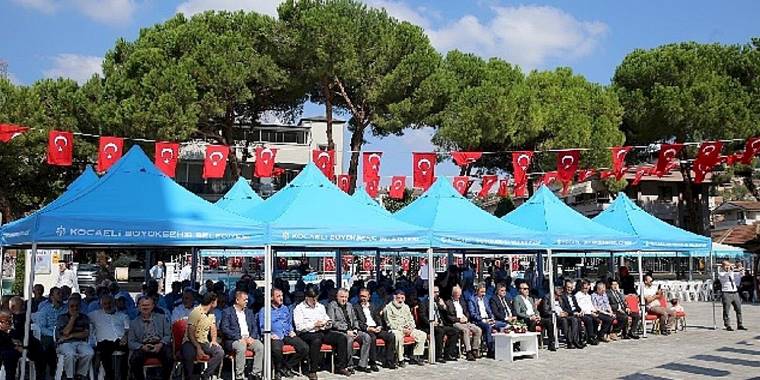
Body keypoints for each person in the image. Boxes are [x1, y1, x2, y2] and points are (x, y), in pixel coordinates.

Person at [293, 286, 350, 379]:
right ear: (307, 297)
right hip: (307, 333)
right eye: (312, 298)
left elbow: (327, 319)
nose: (315, 300)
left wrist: (327, 324)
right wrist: (314, 325)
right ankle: (313, 370)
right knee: (317, 340)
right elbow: (299, 327)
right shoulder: (299, 309)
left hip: (321, 331)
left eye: (316, 298)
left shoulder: (320, 307)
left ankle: (341, 366)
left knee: (341, 337)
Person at [259, 288, 308, 380]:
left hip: (286, 333)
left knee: (304, 348)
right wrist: (270, 335)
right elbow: (262, 326)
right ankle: (278, 370)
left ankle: (286, 367)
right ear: (271, 298)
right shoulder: (264, 310)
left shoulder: (285, 308)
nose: (281, 298)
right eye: (278, 296)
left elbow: (289, 322)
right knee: (277, 350)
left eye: (282, 296)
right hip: (274, 335)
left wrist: (291, 330)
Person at [221, 290, 264, 380]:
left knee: (260, 346)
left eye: (247, 300)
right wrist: (239, 338)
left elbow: (255, 327)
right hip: (234, 340)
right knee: (241, 346)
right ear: (237, 300)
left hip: (248, 338)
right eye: (245, 300)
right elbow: (225, 329)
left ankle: (255, 373)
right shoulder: (227, 312)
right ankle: (239, 375)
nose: (247, 302)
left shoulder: (249, 312)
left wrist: (252, 337)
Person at [327, 288, 371, 373]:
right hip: (340, 331)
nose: (344, 299)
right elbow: (332, 322)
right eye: (342, 297)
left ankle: (363, 364)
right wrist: (346, 331)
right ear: (337, 297)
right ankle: (349, 365)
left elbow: (354, 319)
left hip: (352, 329)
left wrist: (355, 328)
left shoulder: (349, 305)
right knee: (349, 339)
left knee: (367, 337)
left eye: (346, 297)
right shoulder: (332, 305)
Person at [128, 296, 173, 380]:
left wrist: (160, 344)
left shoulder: (162, 318)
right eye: (143, 305)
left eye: (148, 305)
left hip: (159, 344)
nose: (145, 307)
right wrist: (142, 347)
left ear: (152, 306)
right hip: (143, 345)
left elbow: (168, 335)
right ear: (138, 306)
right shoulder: (133, 323)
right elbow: (131, 342)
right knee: (134, 359)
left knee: (169, 356)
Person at [182, 292, 224, 380]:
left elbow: (213, 328)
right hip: (191, 341)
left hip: (204, 341)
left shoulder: (211, 313)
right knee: (189, 353)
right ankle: (189, 377)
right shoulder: (196, 312)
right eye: (216, 301)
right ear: (212, 302)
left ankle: (206, 375)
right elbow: (190, 333)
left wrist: (214, 340)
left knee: (219, 352)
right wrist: (198, 347)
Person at [353, 288, 396, 370]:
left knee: (390, 336)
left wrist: (380, 326)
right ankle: (373, 362)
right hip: (366, 329)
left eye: (365, 296)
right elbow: (357, 322)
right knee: (372, 338)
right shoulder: (356, 307)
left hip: (375, 327)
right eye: (361, 296)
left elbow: (377, 317)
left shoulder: (372, 305)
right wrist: (368, 328)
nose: (363, 298)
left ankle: (389, 361)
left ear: (369, 297)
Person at [88, 293, 128, 380]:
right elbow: (83, 319)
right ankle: (109, 375)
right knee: (105, 346)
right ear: (101, 305)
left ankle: (124, 376)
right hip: (104, 343)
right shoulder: (94, 315)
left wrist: (125, 336)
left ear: (114, 303)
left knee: (128, 350)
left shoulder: (123, 316)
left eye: (109, 303)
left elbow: (128, 329)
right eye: (105, 304)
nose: (107, 306)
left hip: (121, 342)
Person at [383, 290, 427, 367]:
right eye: (398, 298)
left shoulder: (406, 307)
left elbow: (411, 319)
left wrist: (411, 328)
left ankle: (415, 356)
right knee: (398, 337)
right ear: (394, 297)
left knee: (422, 334)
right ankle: (400, 359)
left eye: (402, 298)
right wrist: (402, 330)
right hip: (396, 329)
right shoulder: (388, 308)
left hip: (408, 329)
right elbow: (390, 323)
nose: (400, 300)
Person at [56, 294, 94, 380]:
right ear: (68, 307)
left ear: (80, 306)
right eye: (72, 306)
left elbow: (86, 333)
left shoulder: (84, 317)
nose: (75, 308)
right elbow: (65, 332)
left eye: (77, 306)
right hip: (65, 343)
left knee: (89, 352)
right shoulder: (62, 317)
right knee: (70, 353)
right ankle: (70, 377)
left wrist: (71, 335)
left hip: (81, 342)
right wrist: (73, 318)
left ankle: (80, 375)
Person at [418, 286, 459, 363]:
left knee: (454, 331)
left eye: (438, 292)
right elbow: (422, 316)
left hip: (440, 324)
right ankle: (438, 355)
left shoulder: (438, 302)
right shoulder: (423, 302)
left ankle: (448, 354)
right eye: (435, 292)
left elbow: (447, 315)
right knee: (440, 332)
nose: (437, 294)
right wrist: (431, 322)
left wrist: (444, 307)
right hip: (428, 326)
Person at [468, 284, 505, 358]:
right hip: (478, 321)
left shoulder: (485, 299)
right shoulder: (472, 300)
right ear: (477, 291)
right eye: (481, 292)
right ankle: (490, 349)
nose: (483, 294)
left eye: (484, 292)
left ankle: (502, 347)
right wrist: (483, 320)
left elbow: (489, 311)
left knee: (503, 324)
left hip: (488, 319)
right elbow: (473, 314)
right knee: (488, 327)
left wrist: (491, 318)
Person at [445, 286, 481, 361]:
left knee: (478, 330)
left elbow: (466, 311)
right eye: (458, 295)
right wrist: (459, 319)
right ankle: (468, 351)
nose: (460, 296)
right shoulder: (449, 303)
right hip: (456, 322)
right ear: (454, 294)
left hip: (465, 320)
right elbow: (449, 317)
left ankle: (475, 349)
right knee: (466, 330)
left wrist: (466, 317)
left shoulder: (461, 301)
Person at [37, 286, 65, 377]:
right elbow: (41, 327)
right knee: (47, 345)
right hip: (49, 335)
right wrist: (54, 335)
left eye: (61, 293)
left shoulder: (67, 309)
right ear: (52, 296)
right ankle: (48, 372)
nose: (61, 295)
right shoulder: (45, 310)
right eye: (58, 293)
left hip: (65, 335)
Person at [560, 280, 594, 346]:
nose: (570, 289)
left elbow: (577, 306)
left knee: (588, 318)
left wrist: (580, 311)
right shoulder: (562, 296)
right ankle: (575, 341)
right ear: (565, 287)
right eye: (568, 287)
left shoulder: (573, 296)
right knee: (577, 320)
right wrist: (573, 313)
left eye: (571, 287)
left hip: (576, 313)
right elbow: (564, 308)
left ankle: (586, 338)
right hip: (569, 314)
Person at [718, 260, 746, 331]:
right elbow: (727, 275)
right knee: (726, 310)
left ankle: (740, 324)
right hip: (726, 293)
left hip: (735, 292)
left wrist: (741, 270)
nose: (728, 267)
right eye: (726, 265)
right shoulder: (721, 273)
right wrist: (731, 269)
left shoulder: (732, 272)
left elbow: (740, 275)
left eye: (728, 265)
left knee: (738, 309)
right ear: (723, 266)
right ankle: (727, 325)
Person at [0, 310, 22, 380]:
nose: (8, 323)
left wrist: (9, 331)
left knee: (8, 355)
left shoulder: (14, 331)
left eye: (9, 321)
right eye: (4, 321)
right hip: (5, 351)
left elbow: (18, 344)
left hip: (11, 353)